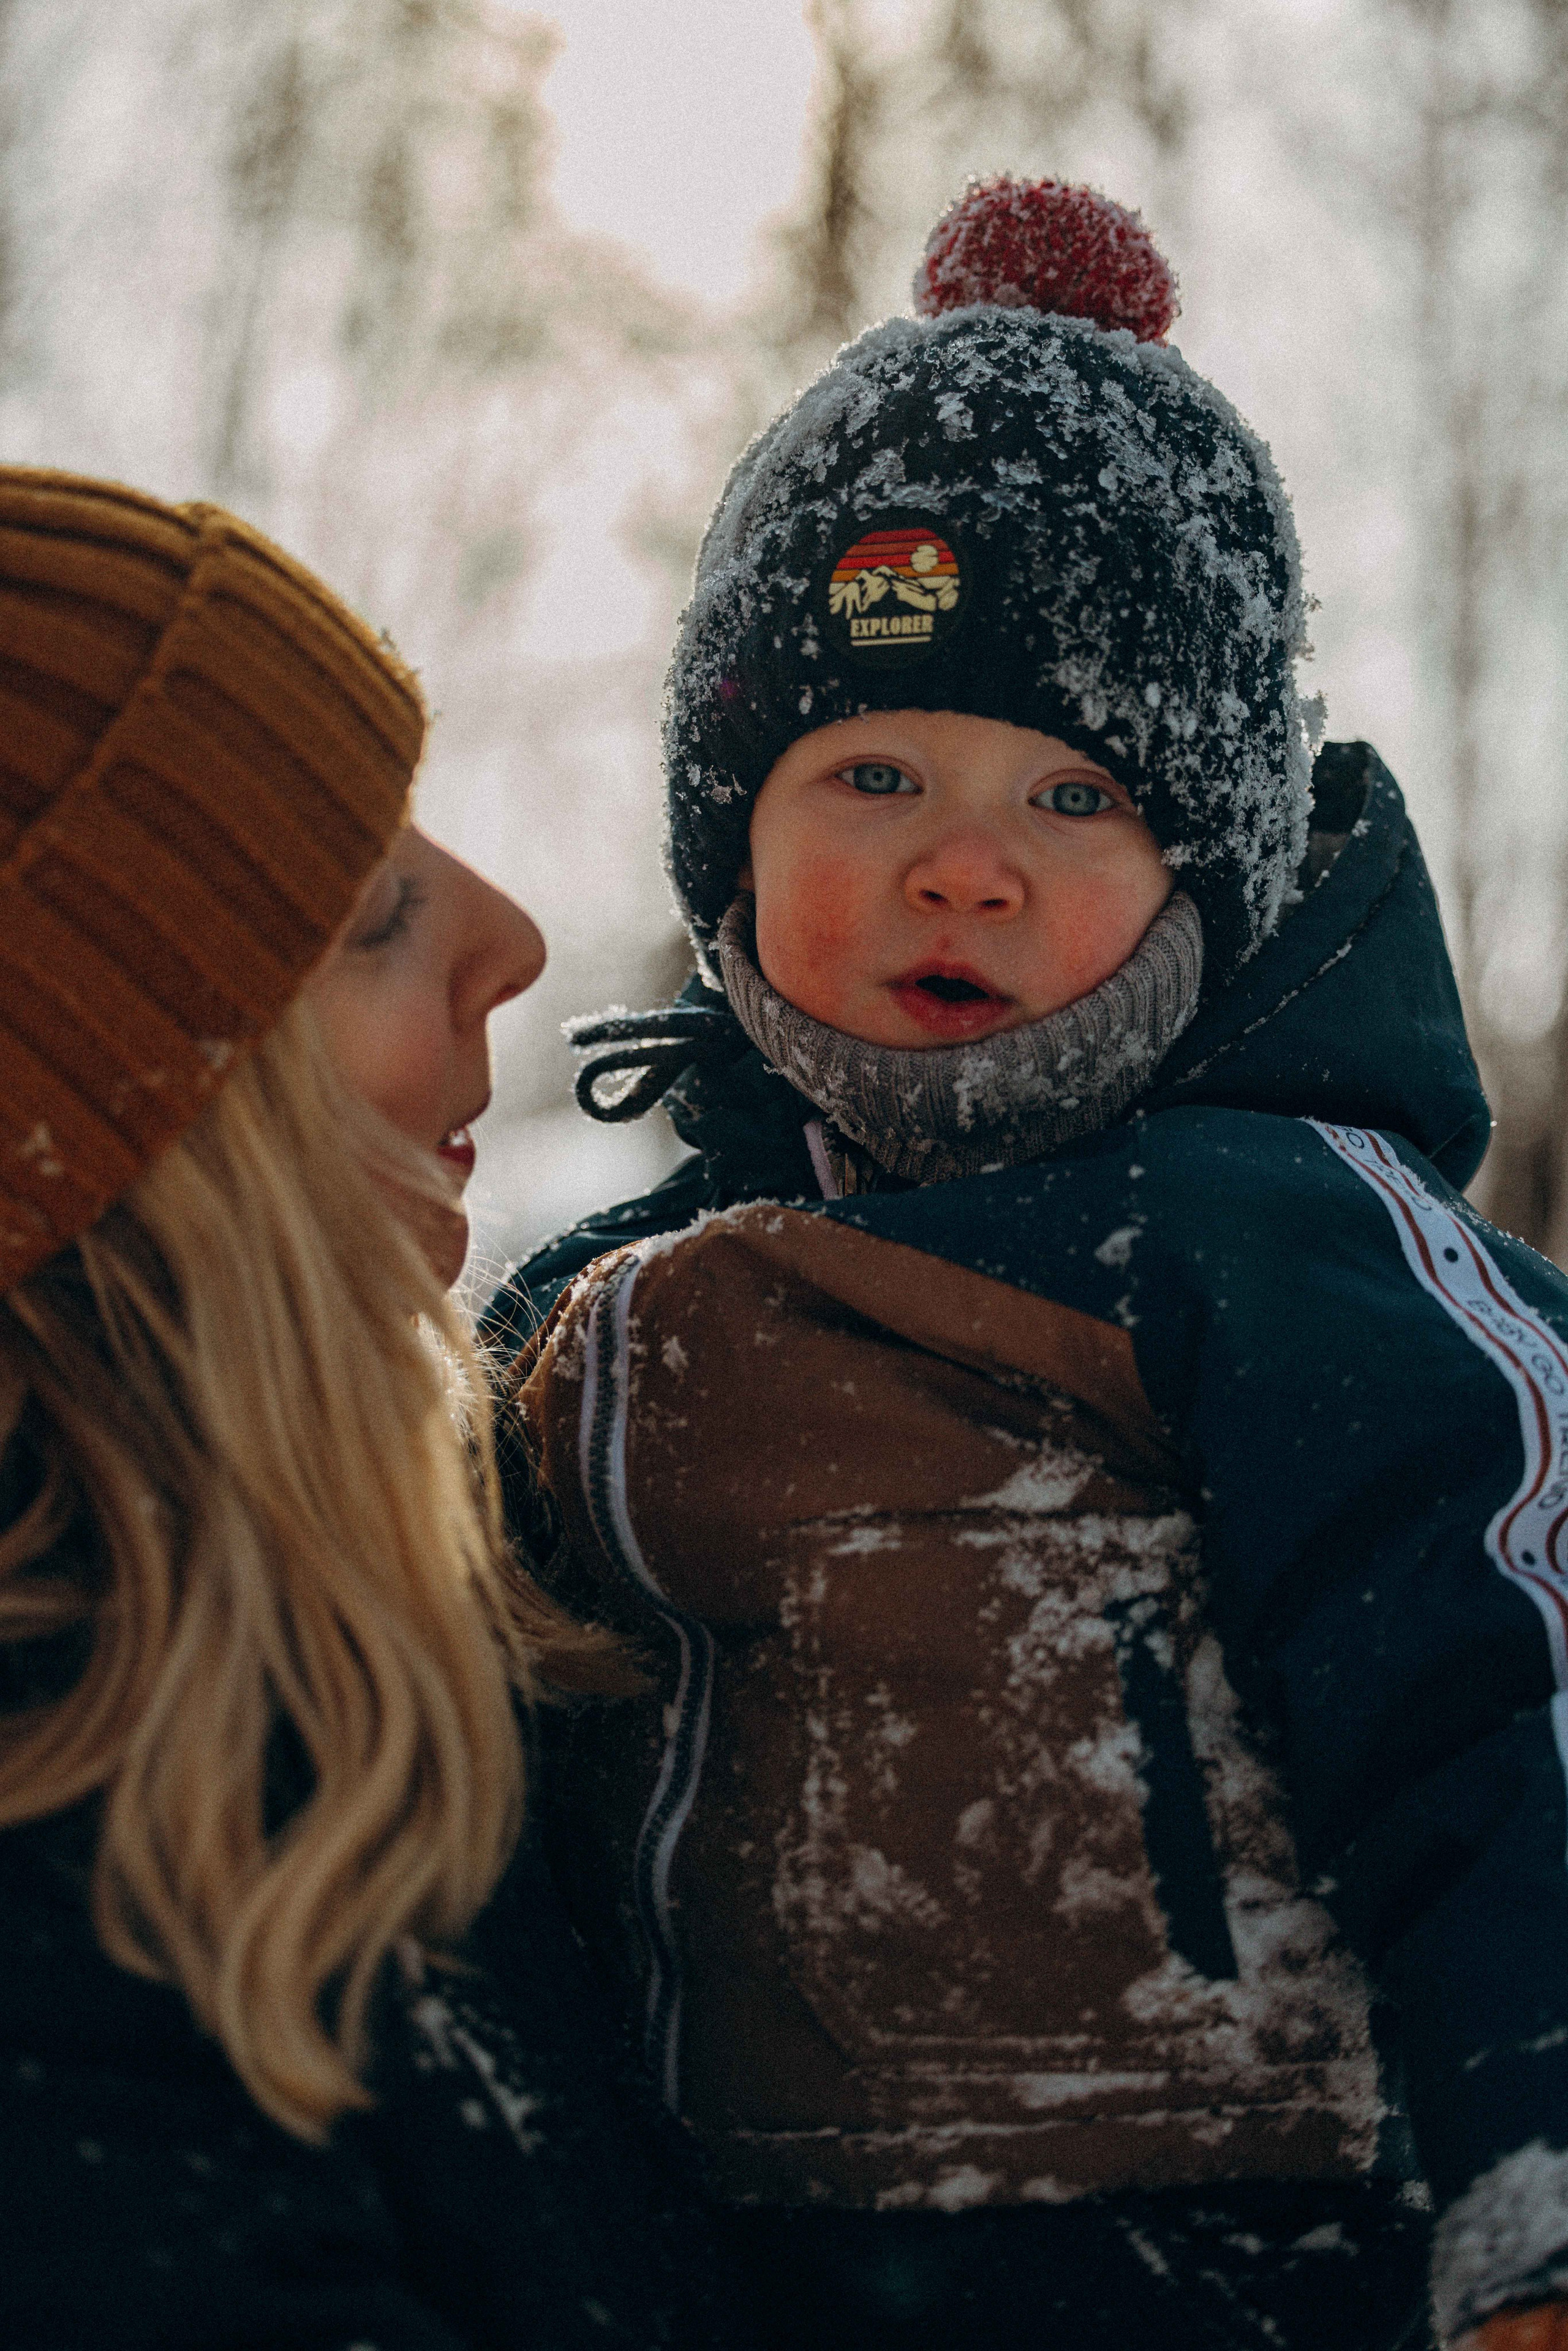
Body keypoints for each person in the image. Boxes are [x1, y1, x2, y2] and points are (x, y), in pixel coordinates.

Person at [490, 181, 1568, 2349]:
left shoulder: (1279, 1235)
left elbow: (1503, 1679)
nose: (961, 866)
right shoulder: (601, 1319)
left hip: (1230, 2253)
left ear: (1213, 869)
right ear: (728, 834)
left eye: (1075, 797)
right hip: (728, 2267)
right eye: (871, 771)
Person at [0, 466, 718, 2349]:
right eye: (371, 916)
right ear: (130, 1126)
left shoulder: (338, 1659)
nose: (513, 937)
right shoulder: (78, 1909)